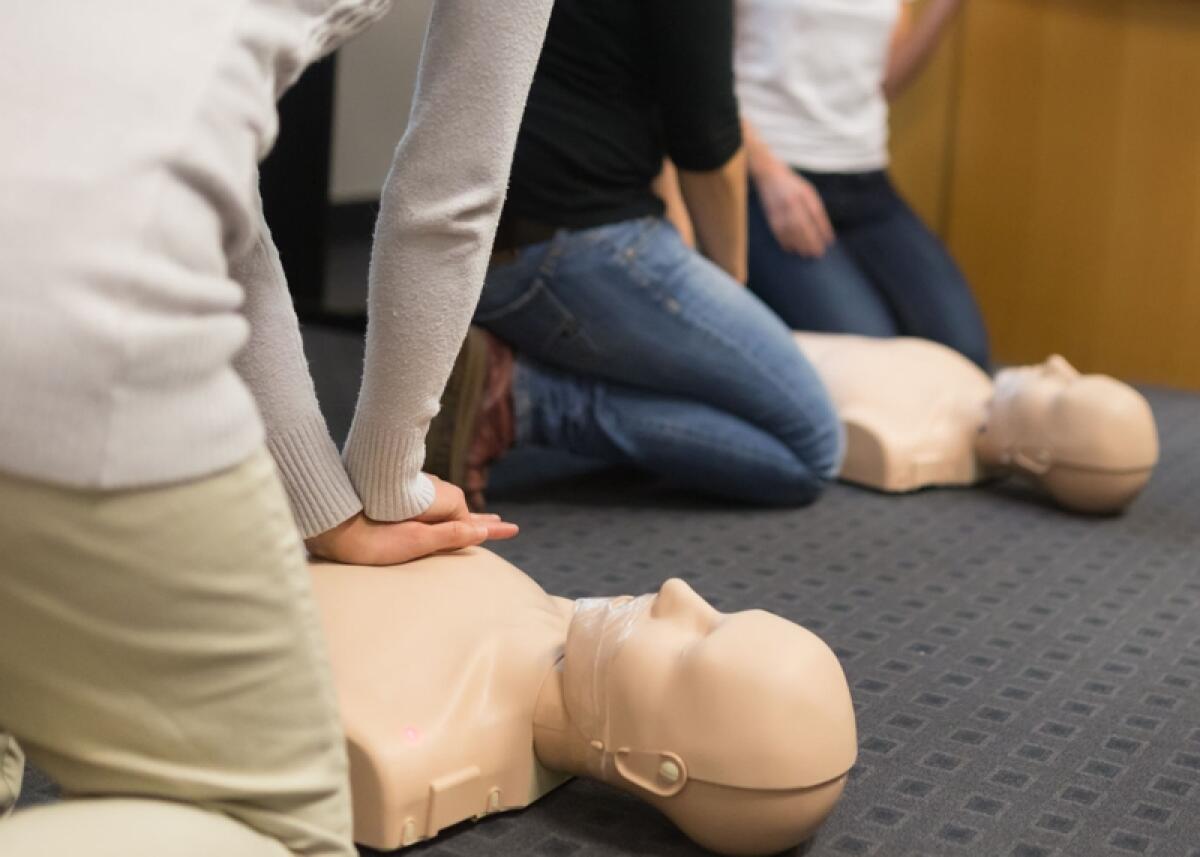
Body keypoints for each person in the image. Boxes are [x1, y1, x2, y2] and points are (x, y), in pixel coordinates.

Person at [0, 2, 550, 855]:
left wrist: (322, 502)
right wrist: (384, 484)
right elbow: (452, 197)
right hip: (69, 292)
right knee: (274, 827)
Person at [428, 0, 844, 511]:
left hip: (453, 240)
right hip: (560, 249)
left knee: (721, 378)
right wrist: (727, 288)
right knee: (811, 447)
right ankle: (521, 401)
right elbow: (707, 141)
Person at [736, 0, 991, 369]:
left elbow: (884, 81)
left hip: (866, 179)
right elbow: (698, 77)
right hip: (770, 180)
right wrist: (768, 173)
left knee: (965, 351)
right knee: (871, 362)